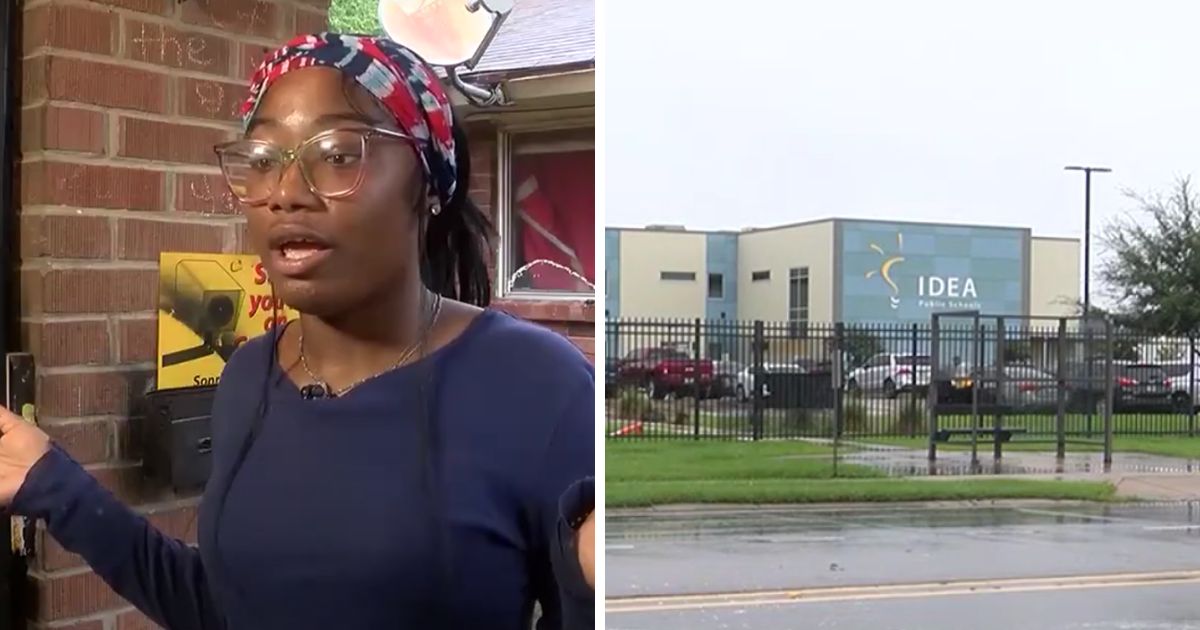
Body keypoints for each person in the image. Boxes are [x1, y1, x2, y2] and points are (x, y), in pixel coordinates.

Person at [0, 33, 595, 629]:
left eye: (337, 153)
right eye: (261, 160)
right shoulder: (248, 377)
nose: (285, 193)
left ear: (427, 184)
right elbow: (221, 607)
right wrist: (57, 487)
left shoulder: (539, 386)